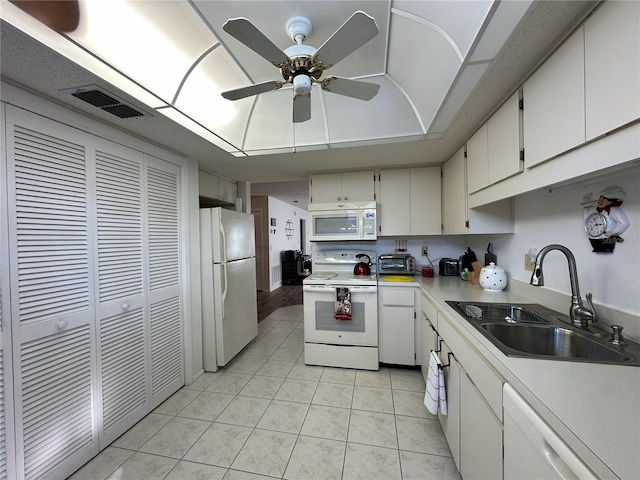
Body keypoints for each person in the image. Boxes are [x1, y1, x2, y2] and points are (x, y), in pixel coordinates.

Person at [583, 185, 630, 253]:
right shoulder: (594, 209)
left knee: (607, 251)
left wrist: (613, 232)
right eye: (600, 199)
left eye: (603, 200)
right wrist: (586, 209)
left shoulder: (613, 210)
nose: (600, 201)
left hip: (606, 237)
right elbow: (587, 219)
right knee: (597, 251)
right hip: (592, 237)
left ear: (611, 202)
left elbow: (625, 223)